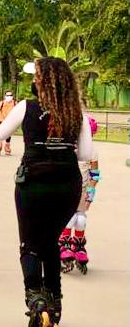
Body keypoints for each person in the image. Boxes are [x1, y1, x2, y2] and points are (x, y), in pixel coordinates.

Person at [0, 57, 92, 327]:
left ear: (42, 81)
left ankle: (36, 299)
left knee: (30, 244)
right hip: (67, 185)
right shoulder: (75, 110)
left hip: (32, 183)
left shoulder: (26, 107)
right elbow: (86, 154)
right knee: (51, 242)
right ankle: (54, 304)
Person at [59, 113, 100, 275]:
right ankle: (65, 243)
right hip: (66, 188)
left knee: (81, 219)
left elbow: (95, 174)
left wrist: (90, 193)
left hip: (82, 190)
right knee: (70, 218)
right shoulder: (68, 147)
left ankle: (78, 245)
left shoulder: (92, 151)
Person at [0, 90, 16, 155]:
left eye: (10, 95)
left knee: (8, 134)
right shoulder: (2, 103)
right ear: (5, 96)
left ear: (12, 96)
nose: (9, 97)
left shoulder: (15, 103)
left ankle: (7, 147)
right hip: (1, 120)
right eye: (7, 95)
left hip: (10, 121)